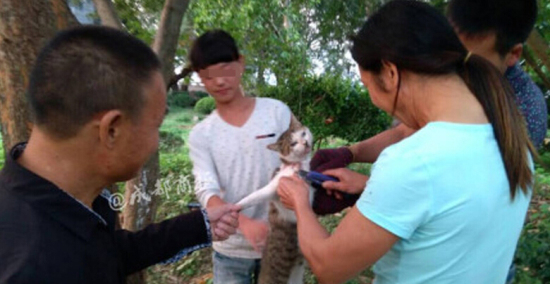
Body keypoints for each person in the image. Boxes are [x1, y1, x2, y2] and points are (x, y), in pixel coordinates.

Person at [277, 1, 535, 283]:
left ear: (390, 72)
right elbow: (448, 221)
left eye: (367, 86)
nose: (375, 100)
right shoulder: (513, 141)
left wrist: (300, 202)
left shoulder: (414, 161)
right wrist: (368, 189)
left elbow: (329, 267)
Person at [0, 26, 239, 284]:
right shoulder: (34, 270)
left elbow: (106, 254)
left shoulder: (59, 206)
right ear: (111, 130)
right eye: (156, 125)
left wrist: (199, 225)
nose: (157, 141)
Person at [311, 0, 547, 216]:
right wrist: (352, 153)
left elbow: (471, 200)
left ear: (513, 54)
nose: (452, 67)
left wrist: (372, 189)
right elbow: (408, 131)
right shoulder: (449, 82)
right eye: (448, 52)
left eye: (468, 59)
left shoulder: (524, 109)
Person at [188, 30, 293, 284]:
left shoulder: (276, 112)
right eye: (209, 75)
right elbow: (206, 187)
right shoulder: (201, 134)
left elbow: (294, 166)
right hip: (230, 252)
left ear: (241, 63)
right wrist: (244, 223)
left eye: (226, 69)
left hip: (278, 244)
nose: (220, 82)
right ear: (201, 78)